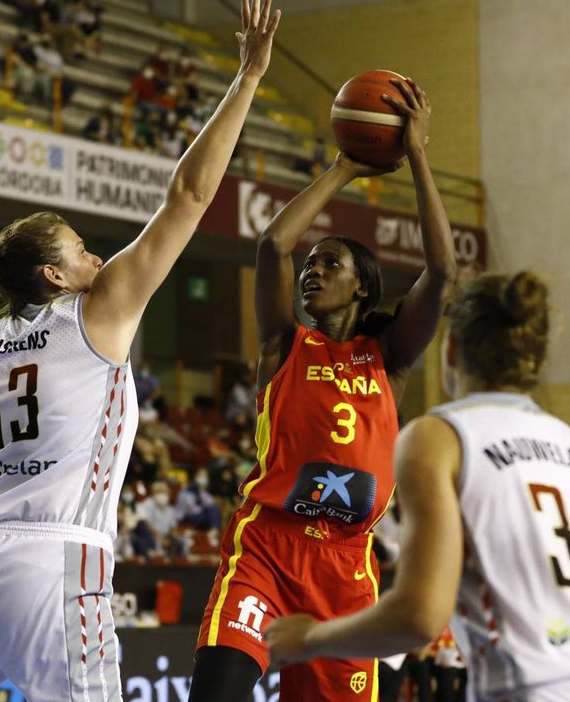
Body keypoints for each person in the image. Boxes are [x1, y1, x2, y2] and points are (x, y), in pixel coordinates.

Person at [0, 3, 279, 699]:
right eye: (80, 250)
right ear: (55, 276)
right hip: (52, 557)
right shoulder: (98, 308)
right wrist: (248, 75)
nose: (98, 257)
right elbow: (190, 195)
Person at [264, 271, 570, 702]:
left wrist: (309, 638)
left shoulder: (439, 437)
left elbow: (420, 616)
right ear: (536, 363)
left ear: (452, 350)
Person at [188, 77, 454, 702]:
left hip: (346, 564)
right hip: (267, 547)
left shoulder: (388, 356)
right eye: (311, 264)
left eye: (329, 263)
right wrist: (343, 168)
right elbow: (273, 244)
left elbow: (442, 271)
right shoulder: (283, 344)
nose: (312, 270)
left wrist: (416, 153)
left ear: (362, 286)